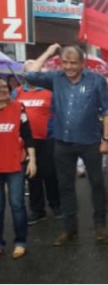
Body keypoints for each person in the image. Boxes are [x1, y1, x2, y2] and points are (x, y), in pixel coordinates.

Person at [24, 43, 108, 246]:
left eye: (73, 62)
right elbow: (30, 75)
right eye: (64, 62)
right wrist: (48, 52)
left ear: (82, 63)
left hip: (90, 142)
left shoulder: (97, 81)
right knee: (65, 187)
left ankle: (100, 224)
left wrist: (107, 140)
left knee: (97, 184)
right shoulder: (55, 78)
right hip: (62, 142)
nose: (69, 66)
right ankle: (69, 228)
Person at [12, 67, 61, 225]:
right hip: (26, 141)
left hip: (47, 139)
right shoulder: (17, 92)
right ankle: (37, 210)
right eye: (26, 70)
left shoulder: (49, 92)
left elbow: (58, 113)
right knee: (32, 175)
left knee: (50, 173)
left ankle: (56, 205)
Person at [0, 77, 37, 259]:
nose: (4, 90)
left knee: (17, 204)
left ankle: (20, 242)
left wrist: (32, 160)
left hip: (16, 164)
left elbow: (28, 135)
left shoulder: (18, 107)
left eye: (5, 87)